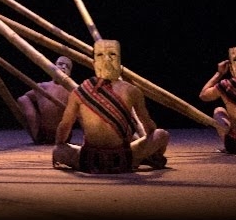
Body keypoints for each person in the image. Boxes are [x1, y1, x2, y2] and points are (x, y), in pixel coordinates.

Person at [52, 39, 169, 173]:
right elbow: (149, 127)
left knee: (58, 150)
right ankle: (148, 158)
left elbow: (65, 127)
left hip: (88, 161)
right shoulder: (132, 91)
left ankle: (143, 158)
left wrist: (59, 144)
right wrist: (147, 143)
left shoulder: (80, 91)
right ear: (119, 64)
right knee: (161, 134)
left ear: (94, 64)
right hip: (124, 159)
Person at [17, 55, 75, 144]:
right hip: (44, 133)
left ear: (69, 73)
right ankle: (38, 135)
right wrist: (32, 115)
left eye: (67, 66)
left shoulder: (72, 90)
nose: (63, 67)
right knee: (23, 99)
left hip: (63, 134)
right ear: (54, 67)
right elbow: (23, 99)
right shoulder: (43, 86)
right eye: (60, 64)